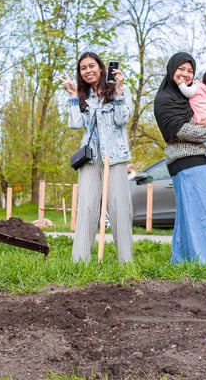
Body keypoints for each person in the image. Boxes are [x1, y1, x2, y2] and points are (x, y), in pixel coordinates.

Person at [153, 52, 206, 270]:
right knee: (203, 218)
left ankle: (183, 265)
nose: (185, 74)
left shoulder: (197, 91)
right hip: (187, 162)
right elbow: (176, 130)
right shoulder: (165, 99)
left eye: (190, 70)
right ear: (171, 69)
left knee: (191, 219)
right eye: (181, 69)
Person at [60, 52, 134, 264]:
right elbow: (75, 124)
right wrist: (73, 96)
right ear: (80, 74)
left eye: (92, 66)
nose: (88, 71)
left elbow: (122, 120)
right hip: (90, 158)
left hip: (115, 156)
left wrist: (119, 91)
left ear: (101, 68)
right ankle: (80, 261)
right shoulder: (84, 97)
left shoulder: (118, 91)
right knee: (87, 207)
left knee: (120, 208)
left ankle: (126, 262)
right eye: (83, 68)